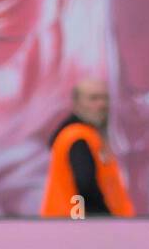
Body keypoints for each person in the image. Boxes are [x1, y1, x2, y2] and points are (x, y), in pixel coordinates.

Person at [40, 78, 134, 218]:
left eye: (105, 98)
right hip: (78, 228)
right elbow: (85, 185)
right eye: (93, 98)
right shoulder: (77, 137)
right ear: (76, 103)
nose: (102, 104)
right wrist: (106, 221)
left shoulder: (87, 135)